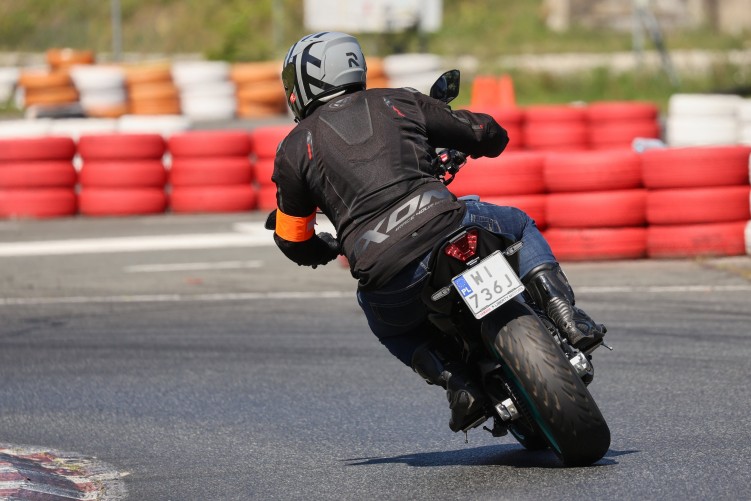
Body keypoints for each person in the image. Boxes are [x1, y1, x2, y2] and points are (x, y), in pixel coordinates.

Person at [270, 32, 605, 433]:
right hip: (447, 223)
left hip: (386, 270)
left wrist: (321, 250)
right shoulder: (396, 101)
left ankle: (457, 382)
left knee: (385, 321)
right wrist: (481, 139)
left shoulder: (293, 148)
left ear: (306, 84)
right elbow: (484, 132)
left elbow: (290, 237)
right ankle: (566, 317)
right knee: (517, 224)